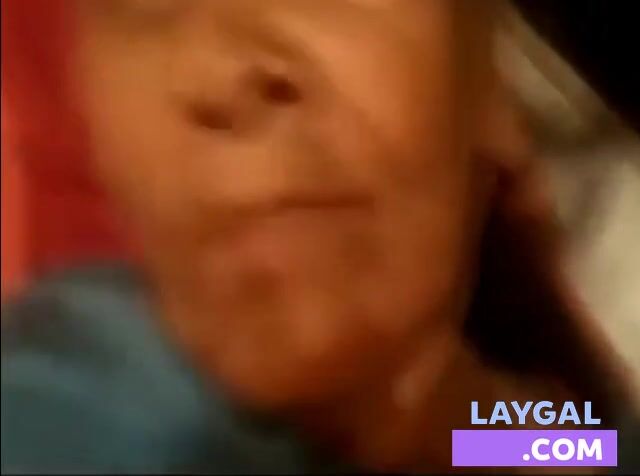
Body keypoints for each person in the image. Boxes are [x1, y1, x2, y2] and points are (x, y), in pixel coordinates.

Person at [2, 1, 638, 473]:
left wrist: (447, 426)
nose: (215, 69)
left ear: (488, 85)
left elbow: (578, 443)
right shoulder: (94, 391)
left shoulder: (491, 396)